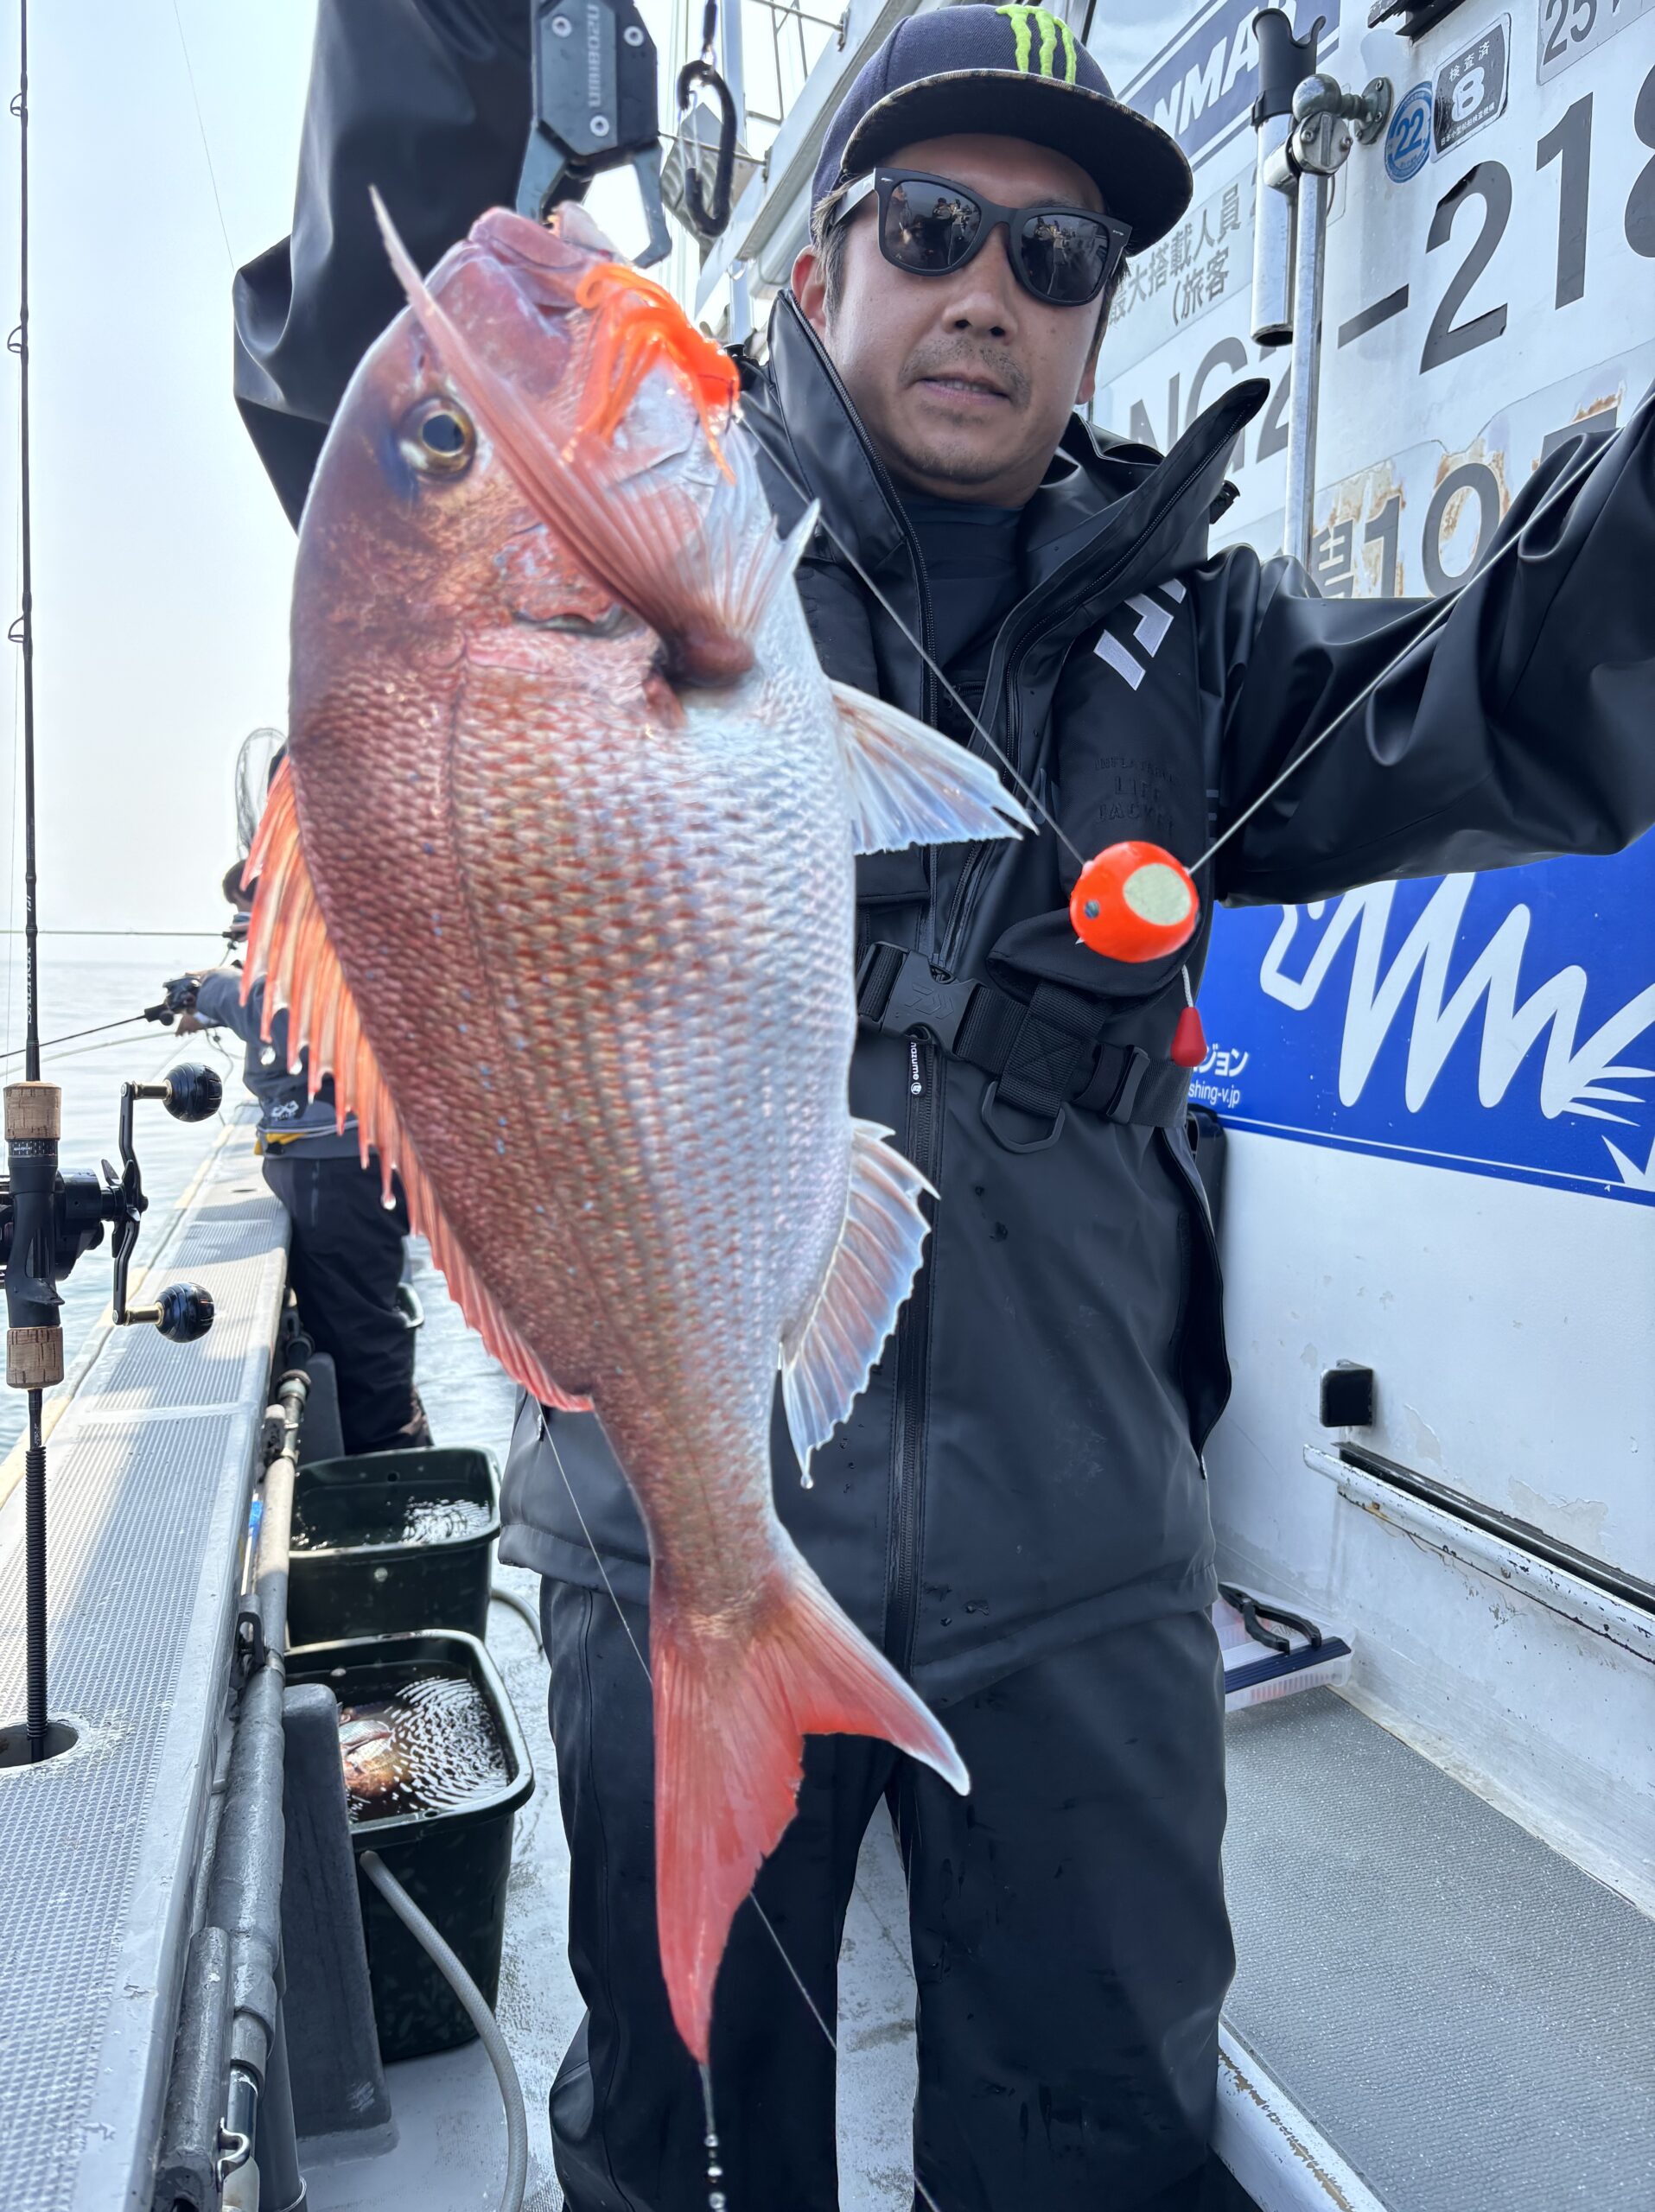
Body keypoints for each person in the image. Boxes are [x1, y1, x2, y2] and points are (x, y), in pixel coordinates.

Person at [232, 6, 1655, 2205]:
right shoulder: (635, 525)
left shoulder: (1199, 637)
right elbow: (394, 360)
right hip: (660, 1534)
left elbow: (1526, 680)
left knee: (1098, 2141)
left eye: (1055, 258)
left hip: (1081, 1563)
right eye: (927, 227)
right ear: (813, 273)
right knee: (689, 2134)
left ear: (1095, 323)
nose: (989, 289)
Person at [179, 861, 429, 1457]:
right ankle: (389, 1455)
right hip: (332, 1169)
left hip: (339, 1172)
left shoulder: (338, 952)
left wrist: (213, 988)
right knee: (351, 1322)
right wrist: (211, 1004)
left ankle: (392, 1468)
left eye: (254, 916)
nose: (247, 935)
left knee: (360, 1333)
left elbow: (296, 1022)